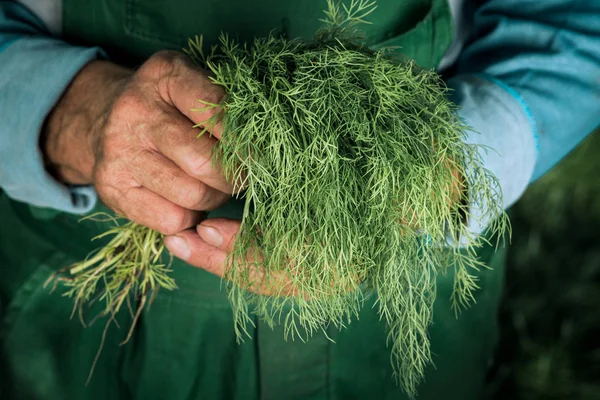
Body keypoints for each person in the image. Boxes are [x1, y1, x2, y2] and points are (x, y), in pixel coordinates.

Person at [0, 0, 598, 399]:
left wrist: (440, 171)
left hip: (398, 281)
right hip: (83, 284)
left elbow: (574, 19)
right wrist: (73, 114)